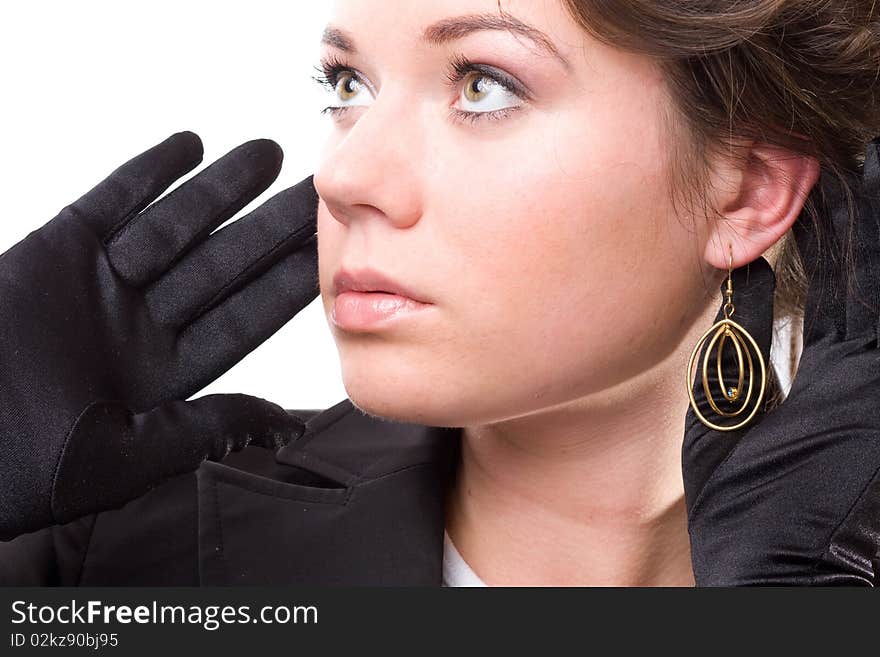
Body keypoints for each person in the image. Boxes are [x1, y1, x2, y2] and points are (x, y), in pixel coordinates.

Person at [1, 0, 879, 586]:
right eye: (348, 86)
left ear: (748, 192)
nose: (343, 176)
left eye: (482, 85)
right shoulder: (112, 558)